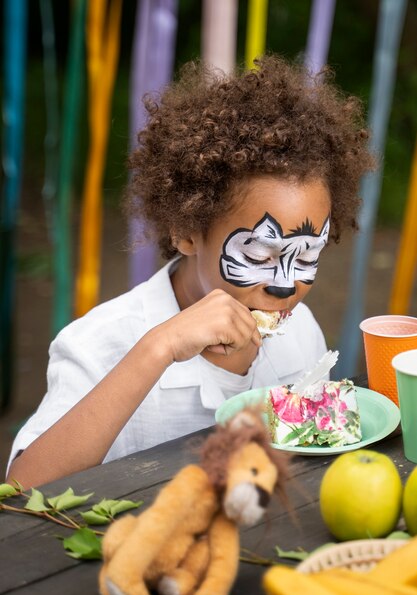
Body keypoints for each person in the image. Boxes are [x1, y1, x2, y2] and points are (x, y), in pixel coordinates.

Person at [7, 55, 374, 488]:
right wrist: (158, 348)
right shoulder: (98, 345)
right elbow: (20, 490)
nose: (285, 285)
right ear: (186, 231)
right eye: (259, 254)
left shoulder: (301, 333)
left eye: (307, 253)